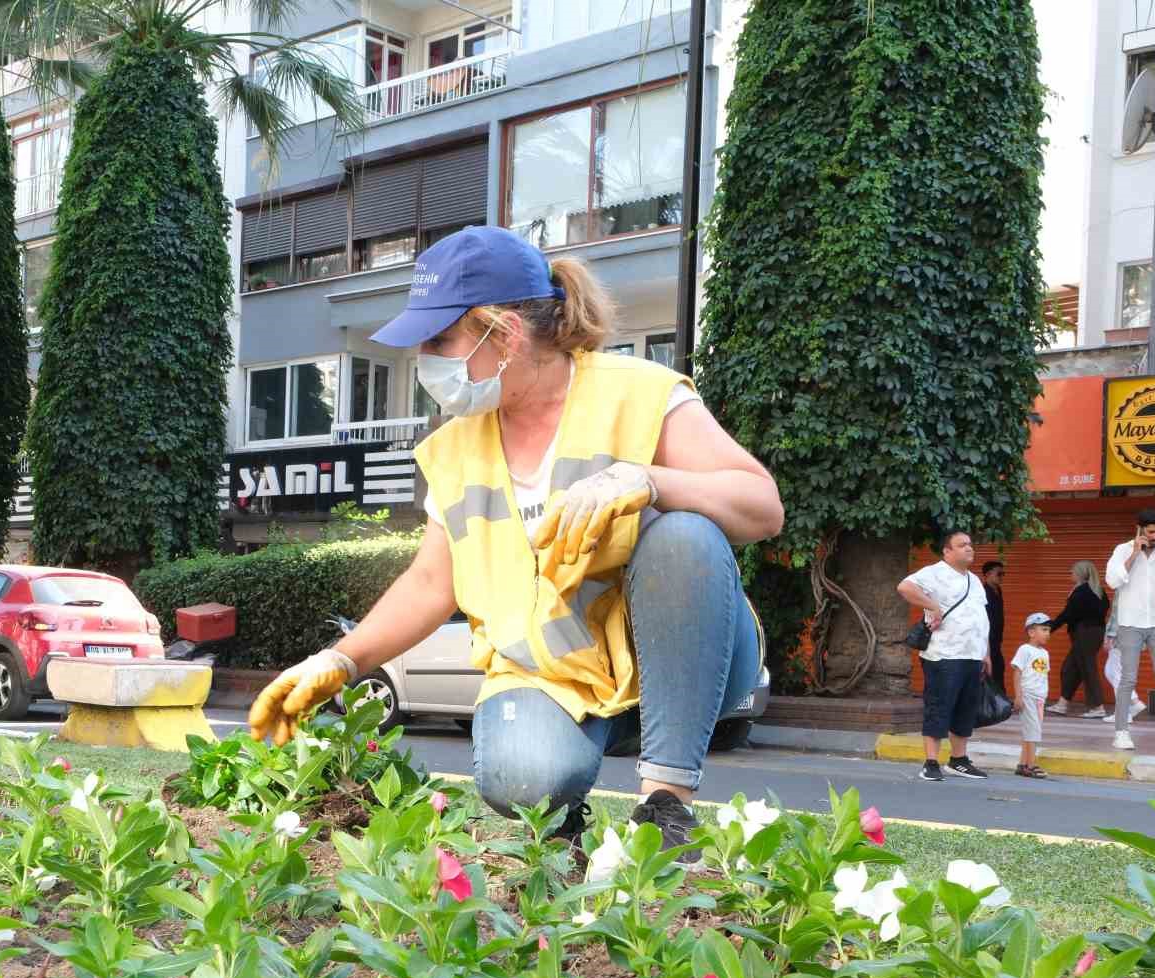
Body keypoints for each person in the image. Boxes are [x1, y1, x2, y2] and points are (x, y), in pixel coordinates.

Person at [247, 226, 783, 852]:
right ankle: (561, 829)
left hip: (686, 667)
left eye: (440, 340)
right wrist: (340, 661)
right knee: (519, 778)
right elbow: (430, 581)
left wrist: (649, 480)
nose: (427, 362)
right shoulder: (452, 449)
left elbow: (762, 506)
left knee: (685, 535)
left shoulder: (637, 393)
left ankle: (664, 808)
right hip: (551, 677)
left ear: (504, 334)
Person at [896, 531, 992, 782]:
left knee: (965, 708)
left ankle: (959, 760)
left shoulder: (975, 580)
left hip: (972, 654)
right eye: (962, 545)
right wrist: (932, 605)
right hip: (943, 654)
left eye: (970, 544)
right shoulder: (934, 572)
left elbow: (981, 619)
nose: (969, 548)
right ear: (947, 552)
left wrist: (986, 653)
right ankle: (931, 761)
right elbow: (905, 587)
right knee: (939, 705)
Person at [1105, 507, 1155, 753]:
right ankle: (1121, 733)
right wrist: (1134, 554)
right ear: (1139, 529)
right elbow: (1113, 581)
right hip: (1130, 623)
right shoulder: (1122, 550)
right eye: (1151, 531)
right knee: (1127, 679)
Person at [1047, 560, 1110, 718]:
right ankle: (1063, 704)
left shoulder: (1081, 592)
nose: (1071, 575)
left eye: (1073, 572)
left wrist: (1050, 628)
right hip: (1095, 633)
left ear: (1080, 574)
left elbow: (1068, 614)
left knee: (1088, 669)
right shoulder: (1099, 591)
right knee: (1070, 668)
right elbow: (1104, 610)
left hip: (1084, 633)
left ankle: (1097, 707)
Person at [1011, 613, 1052, 778]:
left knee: (1031, 731)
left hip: (1039, 698)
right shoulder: (1024, 650)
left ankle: (1022, 764)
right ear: (1031, 632)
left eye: (1048, 630)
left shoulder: (1045, 653)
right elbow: (1017, 673)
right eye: (1044, 629)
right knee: (1033, 731)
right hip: (1027, 695)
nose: (1047, 633)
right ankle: (1030, 765)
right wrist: (1018, 696)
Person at [1103, 609, 1147, 724]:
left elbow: (1117, 614)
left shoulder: (1123, 593)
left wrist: (1110, 636)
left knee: (1115, 673)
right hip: (1133, 636)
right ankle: (1131, 705)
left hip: (1121, 636)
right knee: (1113, 672)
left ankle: (1125, 711)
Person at [982, 561, 1006, 695]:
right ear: (988, 574)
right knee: (993, 668)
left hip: (996, 638)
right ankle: (996, 699)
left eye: (1003, 574)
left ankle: (1000, 698)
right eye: (999, 574)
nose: (1002, 577)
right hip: (987, 639)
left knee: (998, 667)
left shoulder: (998, 590)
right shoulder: (983, 592)